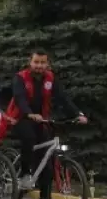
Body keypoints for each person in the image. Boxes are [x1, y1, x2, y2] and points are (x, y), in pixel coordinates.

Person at [5, 49, 86, 191]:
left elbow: (63, 98)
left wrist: (78, 114)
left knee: (46, 157)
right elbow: (20, 98)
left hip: (41, 120)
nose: (39, 66)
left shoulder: (50, 78)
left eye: (43, 62)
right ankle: (24, 174)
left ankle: (44, 198)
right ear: (30, 62)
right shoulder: (20, 77)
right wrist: (30, 114)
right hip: (20, 118)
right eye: (36, 62)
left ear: (47, 64)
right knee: (29, 137)